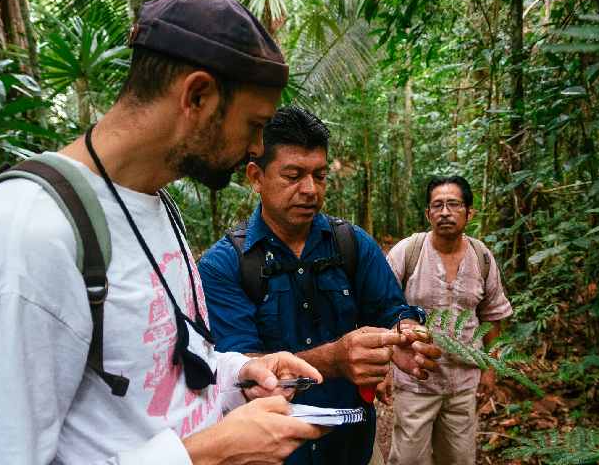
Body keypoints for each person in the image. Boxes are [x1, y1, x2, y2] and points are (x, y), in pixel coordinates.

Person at [0, 0, 329, 464]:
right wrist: (207, 455)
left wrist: (237, 373)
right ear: (197, 95)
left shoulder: (153, 202)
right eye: (254, 125)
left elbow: (154, 376)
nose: (256, 147)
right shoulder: (25, 233)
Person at [198, 106, 442, 465]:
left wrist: (405, 334)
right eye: (293, 175)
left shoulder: (352, 244)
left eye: (320, 175)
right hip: (272, 454)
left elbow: (393, 309)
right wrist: (333, 361)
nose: (310, 189)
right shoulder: (224, 265)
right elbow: (240, 374)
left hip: (353, 448)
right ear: (256, 177)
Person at [385, 176, 513, 465]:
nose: (445, 212)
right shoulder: (408, 252)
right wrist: (382, 367)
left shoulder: (482, 257)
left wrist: (490, 370)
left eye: (453, 204)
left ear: (469, 212)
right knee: (408, 459)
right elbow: (381, 310)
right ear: (428, 214)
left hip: (463, 385)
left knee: (458, 458)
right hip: (416, 382)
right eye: (437, 205)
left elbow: (492, 318)